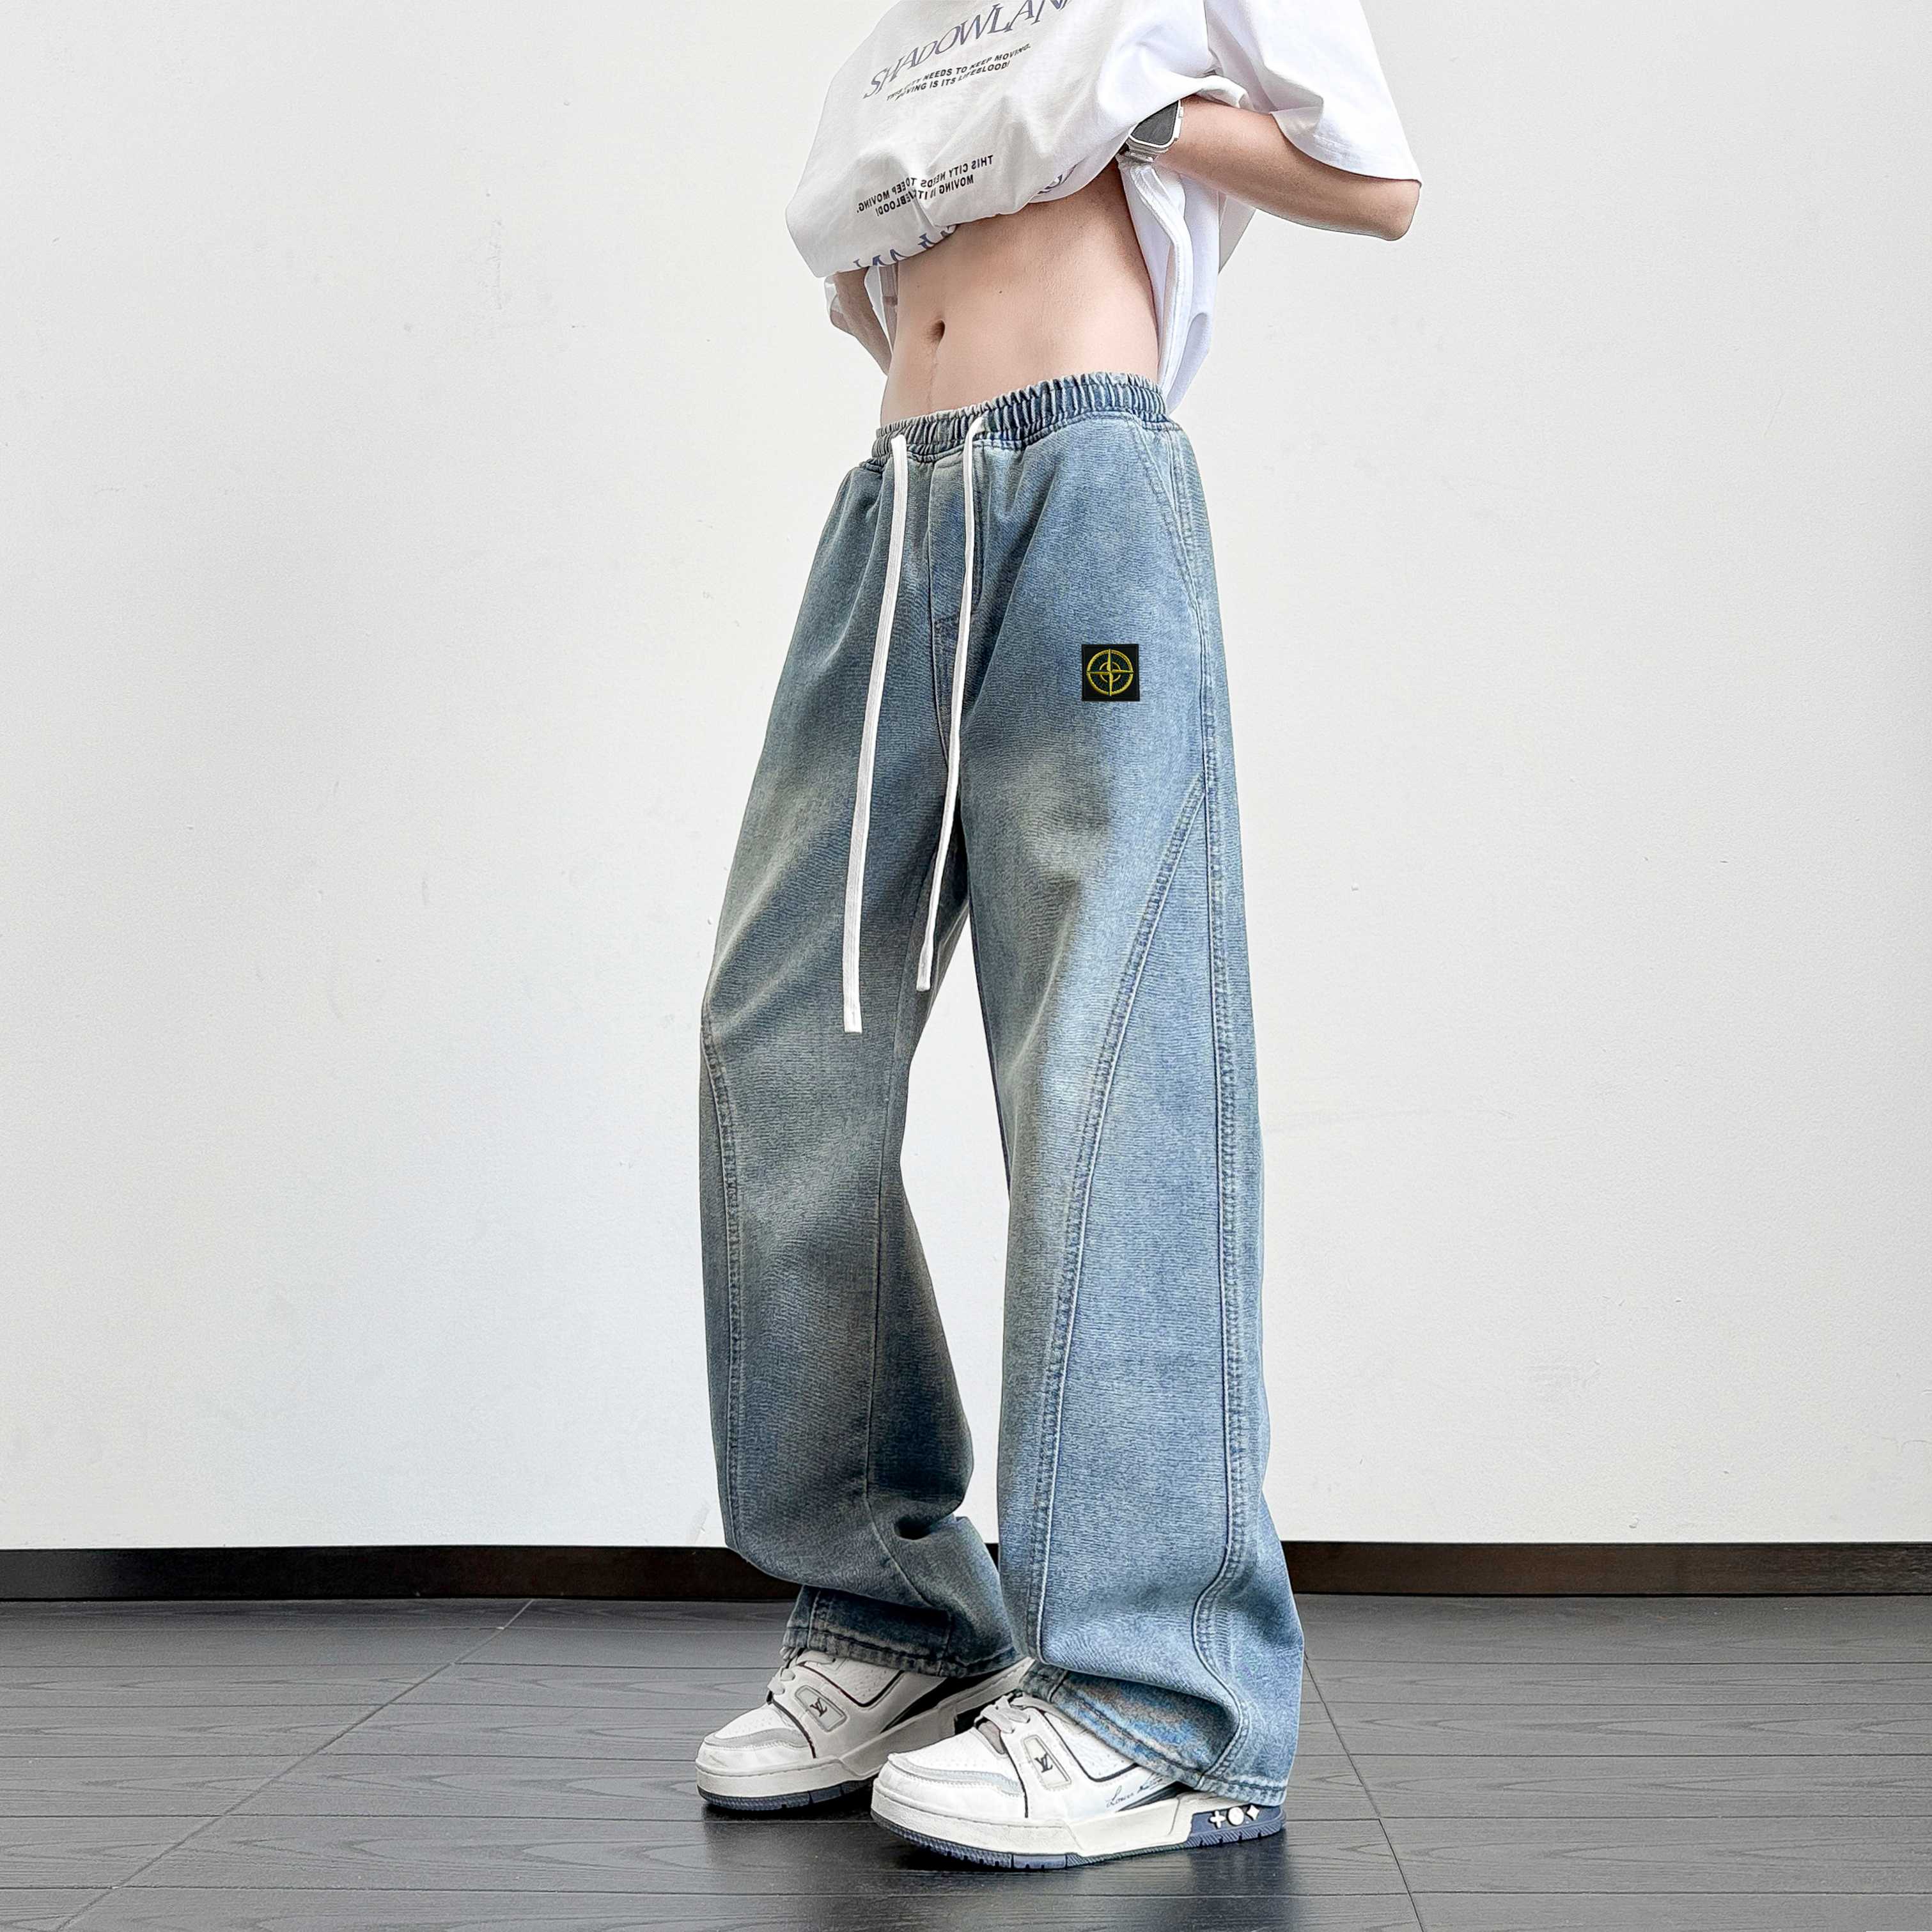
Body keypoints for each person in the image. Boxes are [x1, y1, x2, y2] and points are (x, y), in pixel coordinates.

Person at [693, 0, 1421, 1871]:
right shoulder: (916, 24)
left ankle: (1155, 1692)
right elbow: (865, 288)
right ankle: (898, 1619)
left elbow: (1377, 181)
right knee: (782, 1034)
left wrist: (1143, 120)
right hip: (895, 511)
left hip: (1085, 493)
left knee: (1109, 1050)